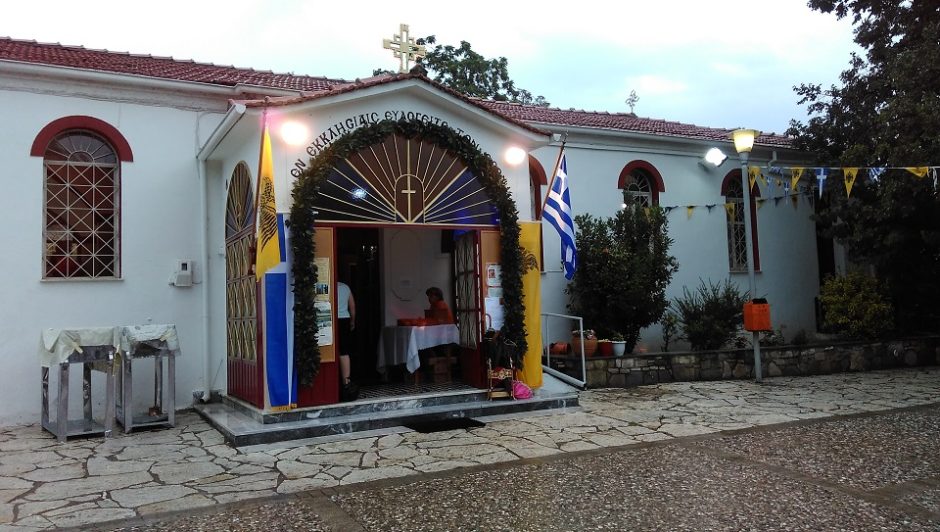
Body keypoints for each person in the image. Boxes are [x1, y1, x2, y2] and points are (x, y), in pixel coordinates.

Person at [336, 280, 359, 401]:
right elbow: (352, 307)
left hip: (330, 318)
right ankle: (346, 382)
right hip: (344, 319)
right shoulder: (345, 287)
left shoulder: (326, 285)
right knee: (344, 351)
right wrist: (352, 322)